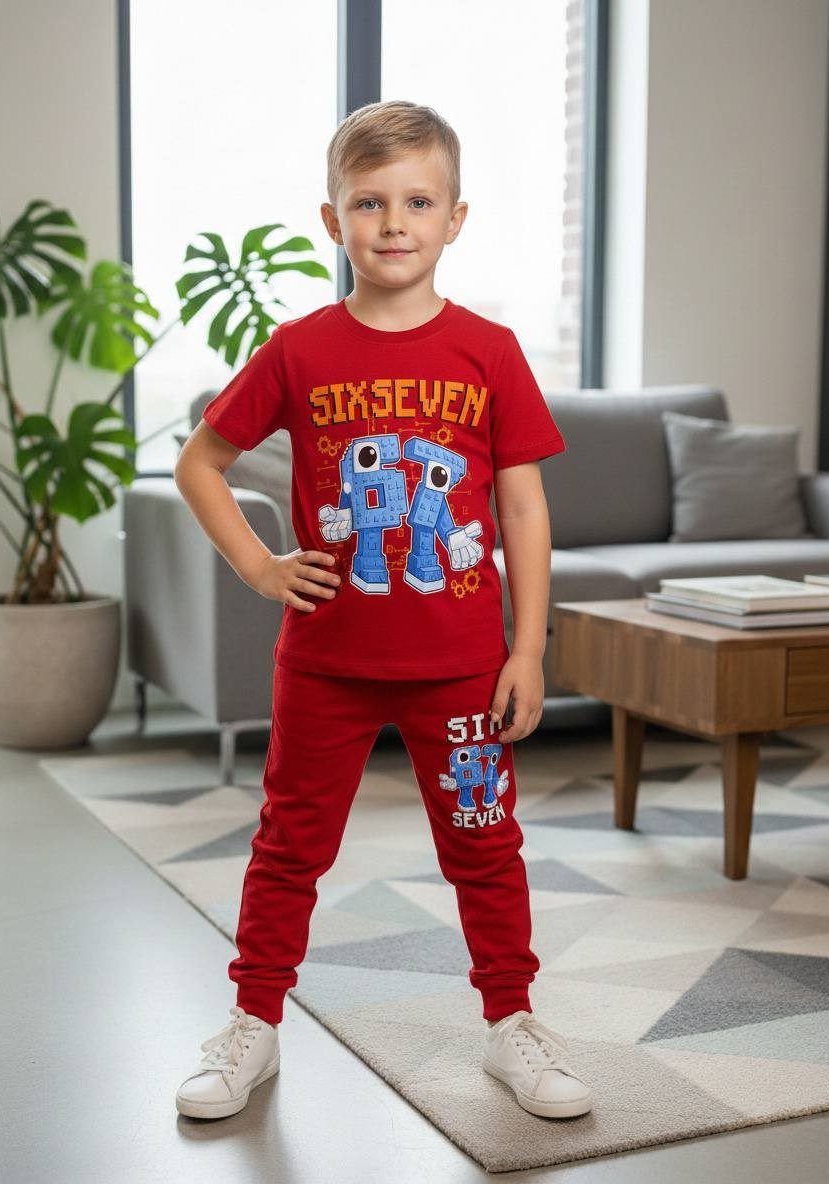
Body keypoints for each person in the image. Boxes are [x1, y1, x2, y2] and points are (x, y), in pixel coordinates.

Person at [172, 99, 593, 1123]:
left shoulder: (490, 352)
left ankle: (511, 1022)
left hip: (462, 666)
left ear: (455, 218)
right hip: (326, 662)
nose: (394, 222)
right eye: (369, 203)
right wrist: (260, 565)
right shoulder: (298, 349)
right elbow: (200, 463)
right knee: (289, 846)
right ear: (333, 220)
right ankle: (254, 1024)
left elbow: (523, 507)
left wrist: (528, 648)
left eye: (417, 201)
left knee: (485, 844)